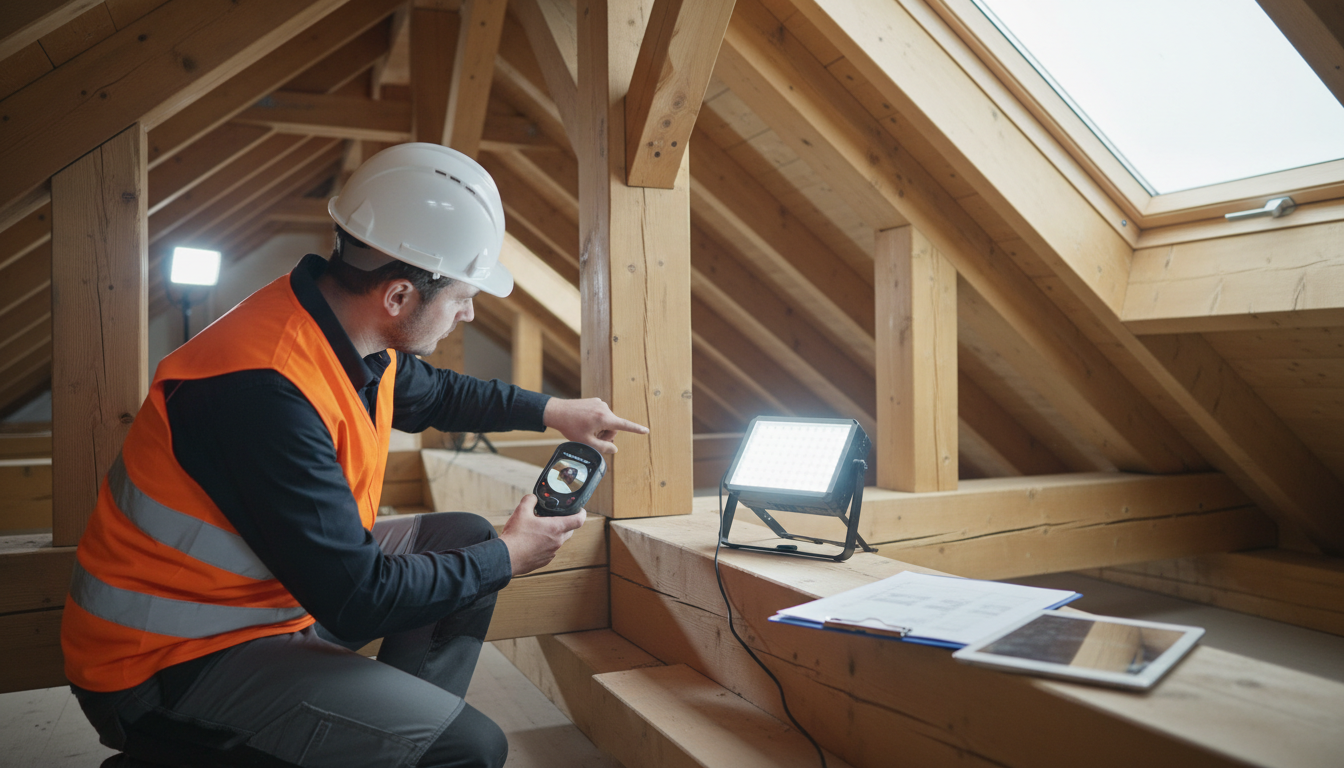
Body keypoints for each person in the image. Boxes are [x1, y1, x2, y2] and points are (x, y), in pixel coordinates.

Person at [60, 143, 648, 768]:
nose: (469, 312)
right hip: (165, 661)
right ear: (399, 296)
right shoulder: (264, 391)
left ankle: (386, 739)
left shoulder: (345, 332)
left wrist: (554, 410)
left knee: (466, 541)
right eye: (460, 296)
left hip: (269, 597)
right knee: (470, 749)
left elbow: (439, 394)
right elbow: (358, 598)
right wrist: (511, 555)